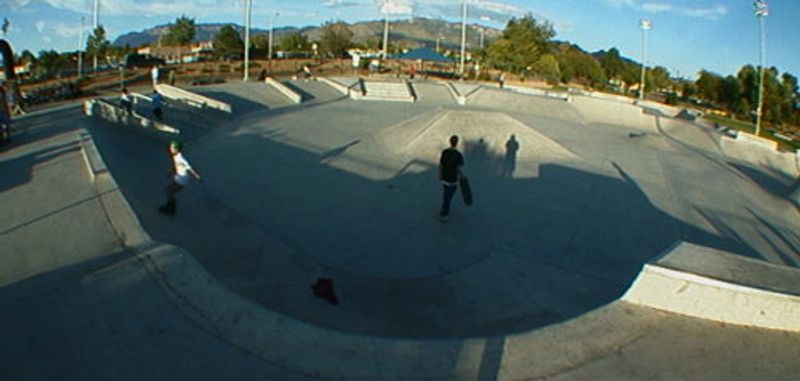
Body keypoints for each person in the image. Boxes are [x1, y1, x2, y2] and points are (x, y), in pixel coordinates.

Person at [159, 141, 203, 216]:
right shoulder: (176, 156)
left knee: (169, 191)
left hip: (182, 180)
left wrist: (197, 176)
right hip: (178, 178)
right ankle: (170, 207)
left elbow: (189, 168)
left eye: (171, 148)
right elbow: (175, 166)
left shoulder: (181, 158)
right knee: (169, 191)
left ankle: (171, 208)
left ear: (176, 149)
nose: (170, 149)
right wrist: (171, 172)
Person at [438, 135, 464, 221]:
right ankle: (444, 213)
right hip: (453, 178)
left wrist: (440, 175)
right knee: (449, 195)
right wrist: (461, 176)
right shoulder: (458, 155)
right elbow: (459, 168)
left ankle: (445, 209)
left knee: (446, 192)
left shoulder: (445, 152)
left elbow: (441, 164)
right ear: (457, 143)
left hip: (444, 177)